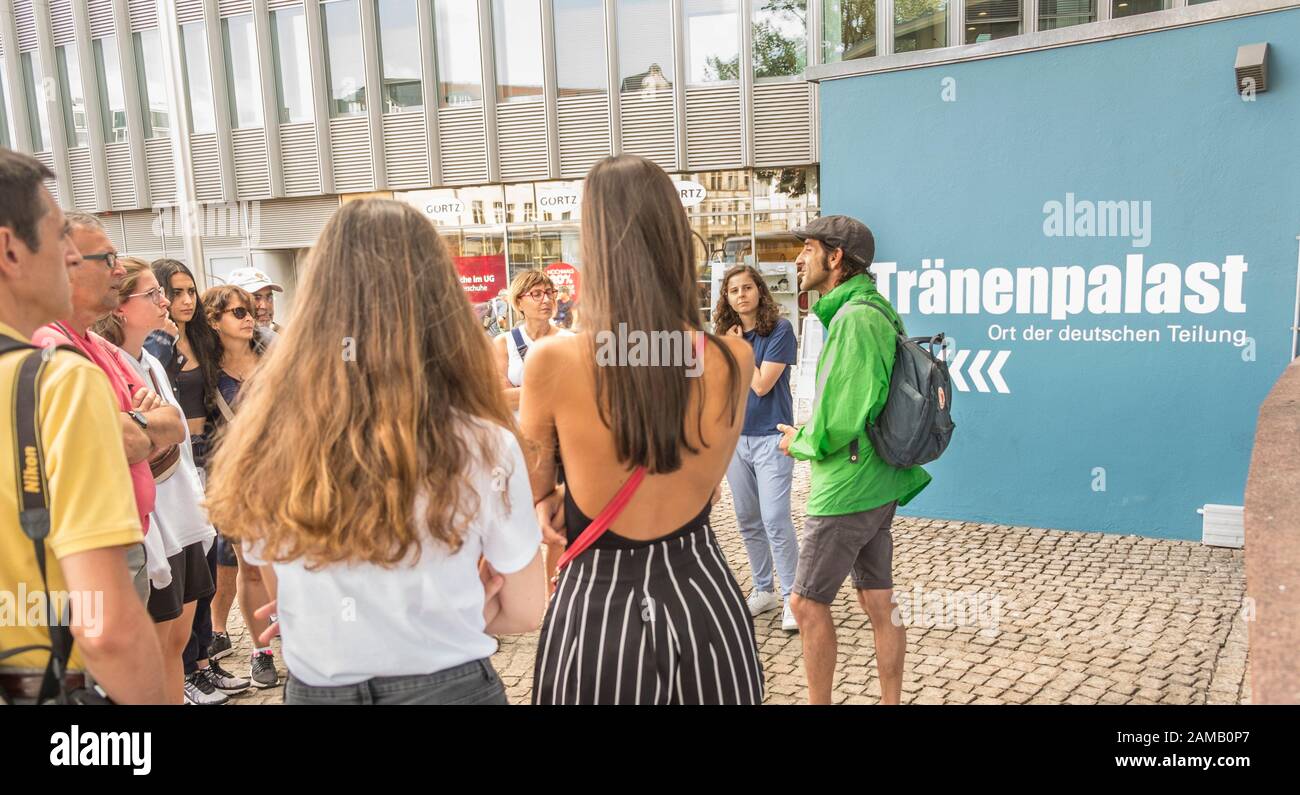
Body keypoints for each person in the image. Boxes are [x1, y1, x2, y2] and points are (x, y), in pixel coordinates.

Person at [205, 198, 546, 705]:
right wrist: (448, 609)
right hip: (448, 683)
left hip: (318, 684)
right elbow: (525, 607)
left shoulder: (266, 436)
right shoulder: (480, 439)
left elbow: (274, 586)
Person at [522, 155, 762, 704]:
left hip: (599, 611)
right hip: (704, 598)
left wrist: (552, 497)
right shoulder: (733, 359)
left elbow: (540, 495)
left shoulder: (552, 361)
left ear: (596, 247)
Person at [0, 148, 165, 704]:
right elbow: (107, 626)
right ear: (9, 250)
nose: (72, 256)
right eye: (59, 236)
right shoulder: (58, 382)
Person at [775, 215, 932, 705]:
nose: (799, 259)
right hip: (880, 481)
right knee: (878, 600)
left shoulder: (854, 318)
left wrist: (798, 441)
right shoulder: (875, 310)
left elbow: (839, 421)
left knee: (805, 602)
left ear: (835, 258)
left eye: (808, 249)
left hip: (846, 487)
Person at [31, 213, 186, 581]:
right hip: (92, 552)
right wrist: (143, 426)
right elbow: (117, 440)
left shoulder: (97, 344)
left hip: (128, 539)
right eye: (108, 259)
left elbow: (173, 423)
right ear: (65, 266)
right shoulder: (48, 344)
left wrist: (134, 423)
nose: (119, 271)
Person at [93, 257, 218, 705]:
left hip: (181, 511)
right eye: (154, 294)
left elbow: (174, 432)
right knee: (157, 646)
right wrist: (155, 426)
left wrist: (155, 426)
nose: (167, 301)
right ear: (121, 307)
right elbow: (137, 442)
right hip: (152, 524)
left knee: (177, 641)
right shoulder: (112, 363)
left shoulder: (151, 360)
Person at [151, 257, 250, 702]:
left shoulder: (202, 339)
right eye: (175, 292)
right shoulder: (157, 345)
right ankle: (187, 670)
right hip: (173, 463)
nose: (185, 300)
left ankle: (205, 661)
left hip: (210, 456)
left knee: (207, 565)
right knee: (187, 565)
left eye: (190, 290)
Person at [713, 265, 800, 632]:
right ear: (727, 298)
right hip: (736, 438)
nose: (741, 295)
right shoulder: (725, 337)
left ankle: (794, 598)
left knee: (775, 518)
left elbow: (762, 384)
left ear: (760, 291)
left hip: (770, 436)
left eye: (747, 288)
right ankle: (763, 590)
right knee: (748, 520)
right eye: (734, 290)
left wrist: (735, 350)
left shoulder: (779, 330)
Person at [202, 284, 278, 689]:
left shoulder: (275, 358)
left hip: (287, 477)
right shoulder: (203, 372)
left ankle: (302, 645)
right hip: (236, 485)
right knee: (249, 568)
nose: (251, 316)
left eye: (250, 310)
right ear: (214, 321)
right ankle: (260, 652)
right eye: (237, 312)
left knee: (294, 566)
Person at [493, 269, 573, 413]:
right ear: (519, 303)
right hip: (518, 432)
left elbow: (577, 393)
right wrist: (555, 389)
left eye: (549, 293)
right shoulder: (504, 343)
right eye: (536, 294)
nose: (547, 300)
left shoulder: (570, 341)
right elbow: (499, 399)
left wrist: (519, 393)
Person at [226, 266, 284, 337]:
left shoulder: (285, 336)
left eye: (269, 298)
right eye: (255, 298)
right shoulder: (217, 343)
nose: (265, 306)